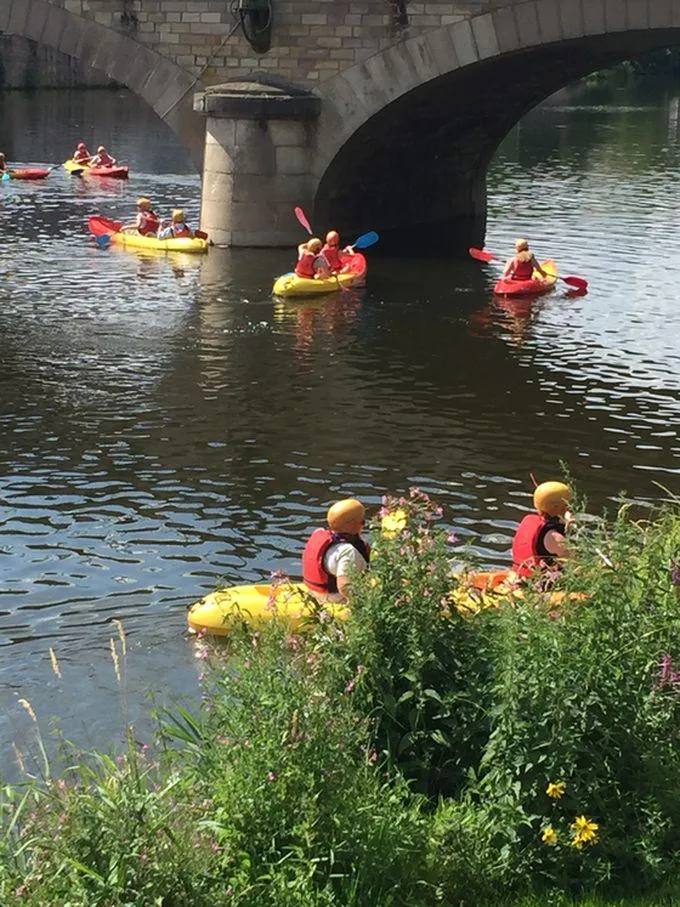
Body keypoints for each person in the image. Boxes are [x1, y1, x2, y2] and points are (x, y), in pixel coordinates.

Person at [302, 498, 370, 602]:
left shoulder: (318, 533)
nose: (364, 525)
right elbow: (344, 586)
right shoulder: (347, 551)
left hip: (311, 592)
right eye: (362, 521)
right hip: (332, 598)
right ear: (351, 525)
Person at [511, 481, 573, 578]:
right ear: (556, 507)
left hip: (519, 574)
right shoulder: (554, 537)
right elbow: (574, 562)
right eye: (567, 503)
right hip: (538, 582)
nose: (570, 507)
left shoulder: (529, 520)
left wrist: (566, 526)